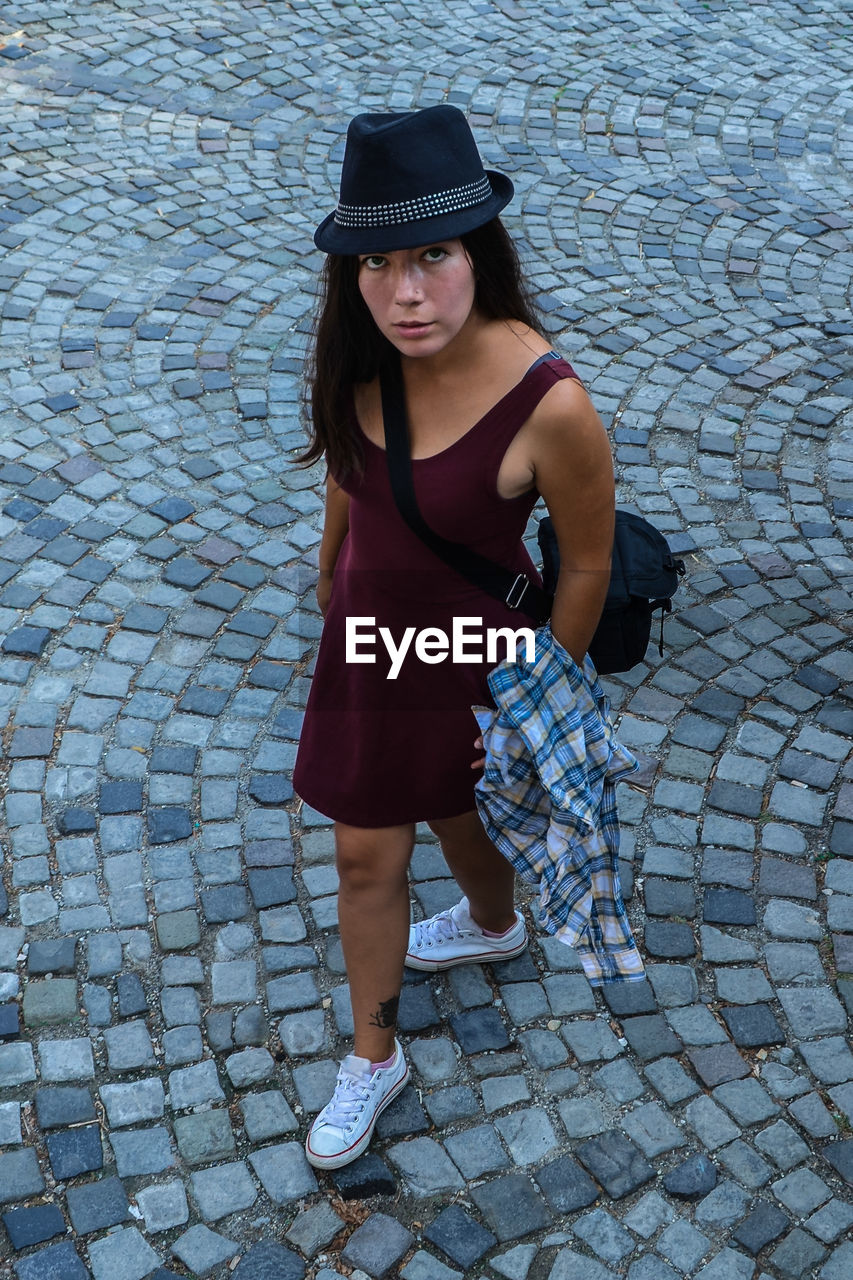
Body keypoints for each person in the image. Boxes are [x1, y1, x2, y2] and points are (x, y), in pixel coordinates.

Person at [293, 105, 615, 1170]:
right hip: (372, 646)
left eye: (432, 254)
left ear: (478, 248)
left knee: (459, 804)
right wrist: (333, 582)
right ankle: (374, 1051)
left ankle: (492, 918)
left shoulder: (549, 401)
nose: (408, 291)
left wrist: (533, 698)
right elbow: (349, 477)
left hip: (475, 657)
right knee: (364, 848)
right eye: (378, 262)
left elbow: (585, 562)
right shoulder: (357, 354)